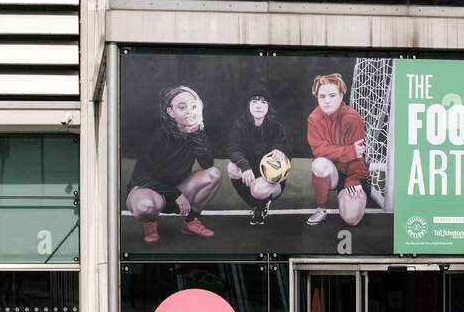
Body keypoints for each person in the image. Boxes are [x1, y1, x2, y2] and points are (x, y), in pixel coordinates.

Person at [126, 85, 222, 243]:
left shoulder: (196, 131)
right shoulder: (159, 136)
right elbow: (139, 177)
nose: (189, 111)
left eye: (193, 106)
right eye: (182, 107)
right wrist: (174, 194)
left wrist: (197, 134)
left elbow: (207, 163)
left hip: (179, 190)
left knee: (214, 174)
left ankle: (190, 222)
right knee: (144, 206)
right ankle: (149, 222)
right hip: (150, 190)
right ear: (171, 112)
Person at [305, 73, 369, 227]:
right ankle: (321, 208)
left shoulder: (352, 119)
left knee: (351, 219)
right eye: (322, 96)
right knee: (319, 164)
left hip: (352, 170)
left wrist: (354, 179)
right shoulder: (314, 118)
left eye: (332, 95)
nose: (327, 101)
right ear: (317, 97)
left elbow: (357, 156)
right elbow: (318, 150)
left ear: (341, 96)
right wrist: (349, 151)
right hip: (331, 170)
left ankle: (361, 193)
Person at [226, 84, 295, 226]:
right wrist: (244, 166)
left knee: (258, 190)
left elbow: (288, 149)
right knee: (231, 167)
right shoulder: (240, 125)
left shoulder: (276, 127)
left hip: (270, 179)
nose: (259, 106)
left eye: (263, 102)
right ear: (248, 105)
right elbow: (233, 149)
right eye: (255, 101)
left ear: (268, 106)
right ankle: (256, 205)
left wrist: (280, 149)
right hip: (250, 172)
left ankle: (262, 203)